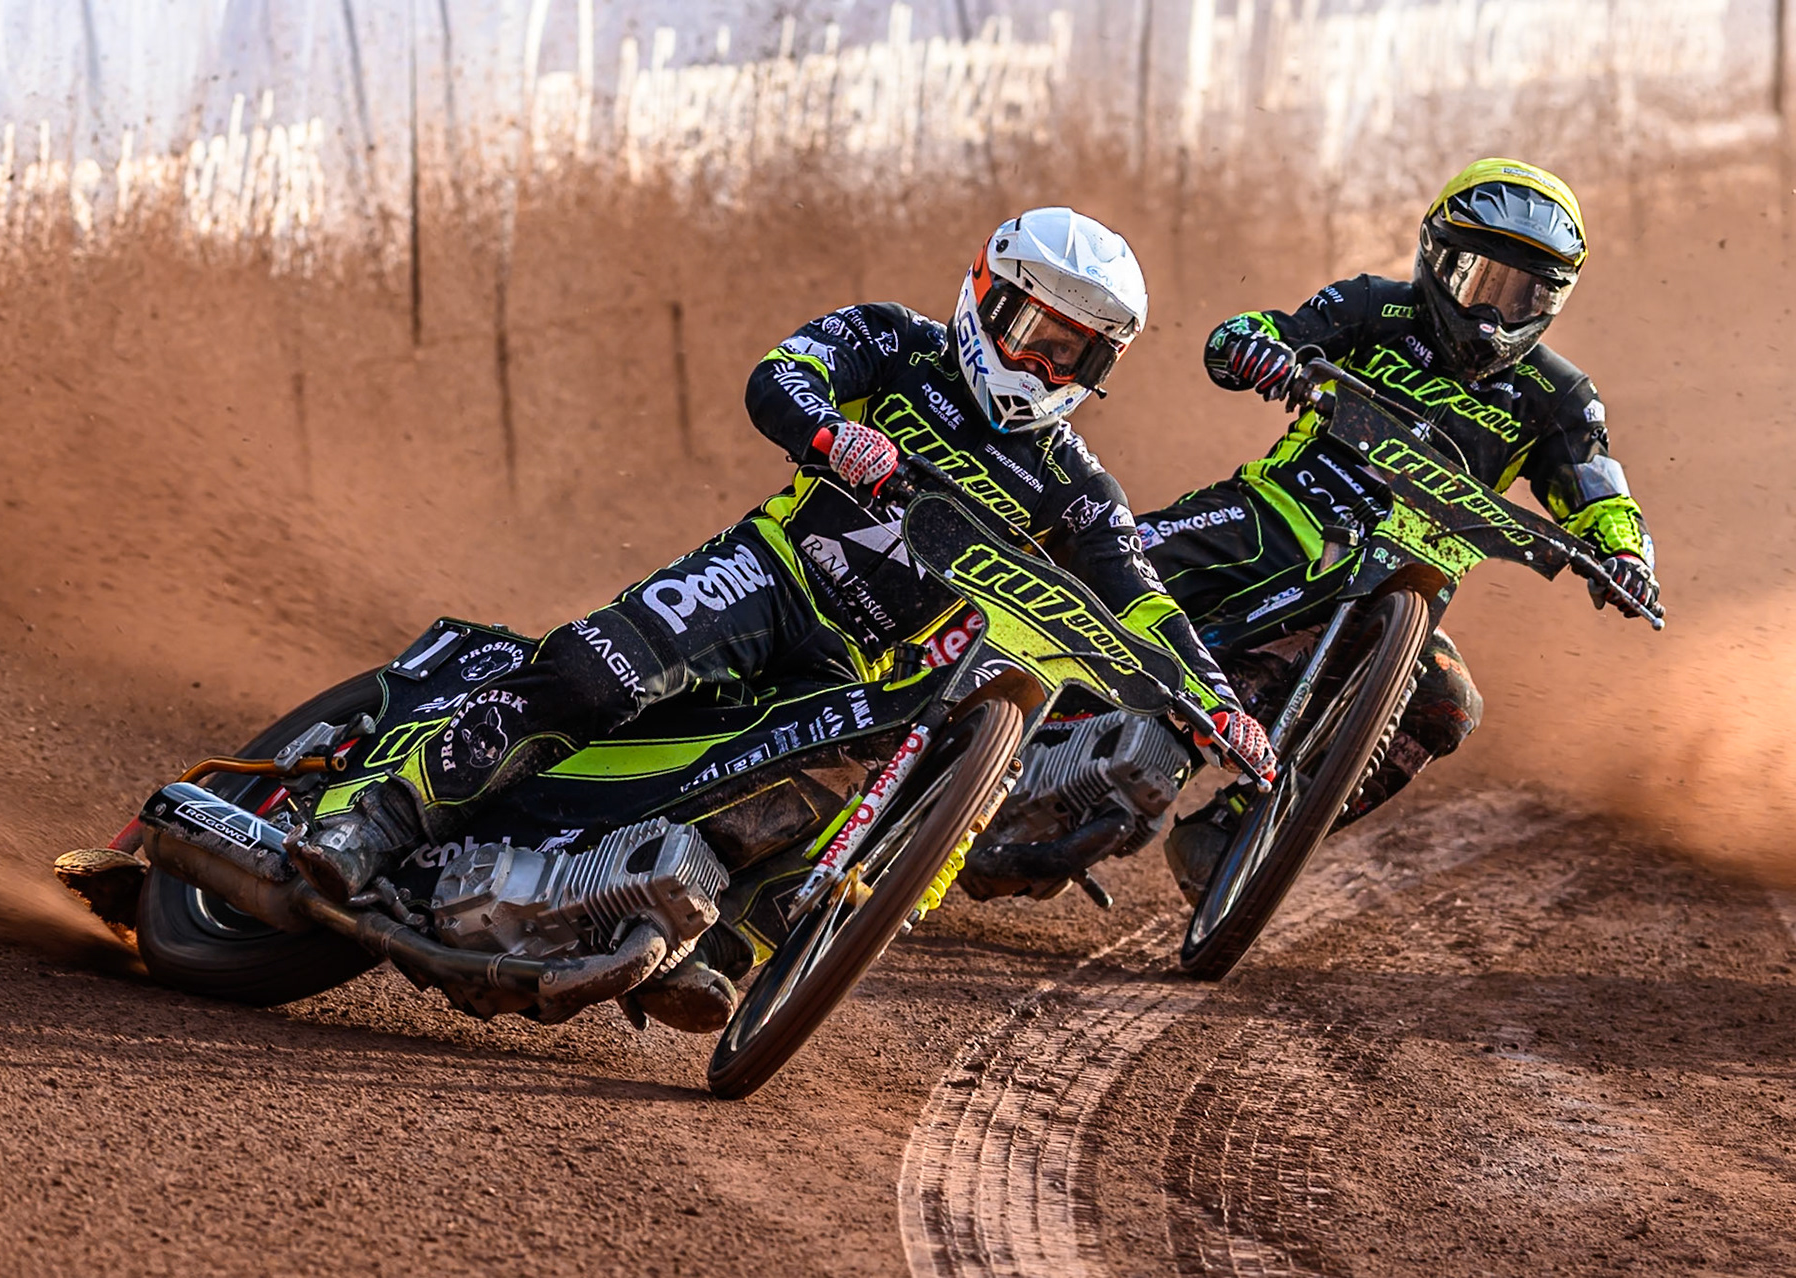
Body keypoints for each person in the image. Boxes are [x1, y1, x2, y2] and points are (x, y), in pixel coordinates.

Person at [294, 206, 1277, 1027]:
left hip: (863, 671)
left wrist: (1221, 707)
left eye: (1077, 355)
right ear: (987, 295)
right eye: (1035, 334)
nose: (1046, 366)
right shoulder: (894, 342)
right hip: (770, 578)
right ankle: (372, 817)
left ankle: (704, 940)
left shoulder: (1077, 484)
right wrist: (832, 434)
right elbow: (779, 377)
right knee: (602, 671)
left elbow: (1140, 596)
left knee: (819, 806)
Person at [1137, 158, 1662, 902]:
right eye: (1480, 280)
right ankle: (945, 684)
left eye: (1521, 296)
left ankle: (1241, 826)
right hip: (1281, 516)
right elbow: (1256, 333)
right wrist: (1256, 346)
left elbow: (1598, 488)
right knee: (1111, 559)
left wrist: (1625, 552)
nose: (1492, 314)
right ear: (1436, 259)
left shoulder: (1559, 395)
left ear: (1554, 302)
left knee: (1447, 704)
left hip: (1402, 586)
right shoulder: (1375, 308)